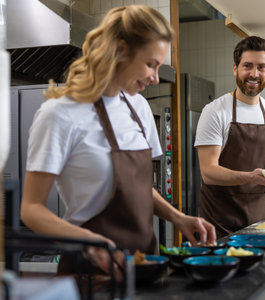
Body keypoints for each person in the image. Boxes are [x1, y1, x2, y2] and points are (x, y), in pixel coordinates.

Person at [20, 5, 216, 276]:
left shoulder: (139, 108)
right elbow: (31, 209)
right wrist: (86, 240)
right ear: (120, 50)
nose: (155, 78)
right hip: (90, 272)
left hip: (144, 266)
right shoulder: (60, 114)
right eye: (150, 64)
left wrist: (178, 217)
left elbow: (137, 188)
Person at [195, 36, 265, 238]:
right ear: (235, 68)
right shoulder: (215, 111)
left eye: (261, 67)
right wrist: (249, 177)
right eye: (247, 66)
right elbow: (208, 171)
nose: (254, 74)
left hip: (257, 221)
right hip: (217, 223)